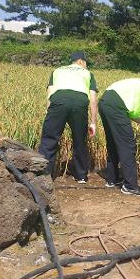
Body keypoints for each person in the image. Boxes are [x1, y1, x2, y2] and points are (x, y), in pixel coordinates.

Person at [39, 51, 98, 183]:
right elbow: (93, 99)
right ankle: (81, 176)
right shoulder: (88, 73)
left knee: (49, 139)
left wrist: (51, 113)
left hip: (58, 101)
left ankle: (43, 175)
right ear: (81, 62)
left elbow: (49, 94)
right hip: (79, 102)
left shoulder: (57, 71)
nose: (86, 66)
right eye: (86, 63)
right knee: (79, 140)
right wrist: (93, 122)